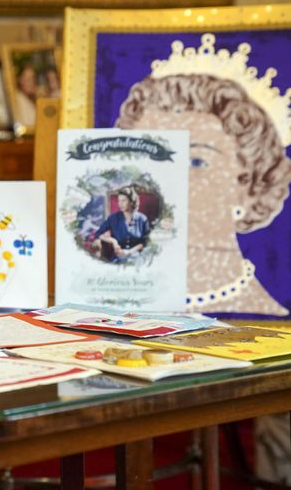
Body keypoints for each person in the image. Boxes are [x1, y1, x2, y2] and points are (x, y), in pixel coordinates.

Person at [118, 68, 290, 315]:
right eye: (148, 160)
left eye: (196, 162)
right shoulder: (105, 304)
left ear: (247, 182)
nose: (162, 183)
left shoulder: (265, 319)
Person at [91, 187, 149, 262]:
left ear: (131, 201)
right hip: (118, 258)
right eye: (119, 201)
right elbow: (98, 233)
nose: (120, 204)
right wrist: (113, 241)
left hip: (138, 257)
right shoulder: (113, 218)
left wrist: (129, 252)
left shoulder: (142, 219)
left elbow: (146, 242)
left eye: (123, 201)